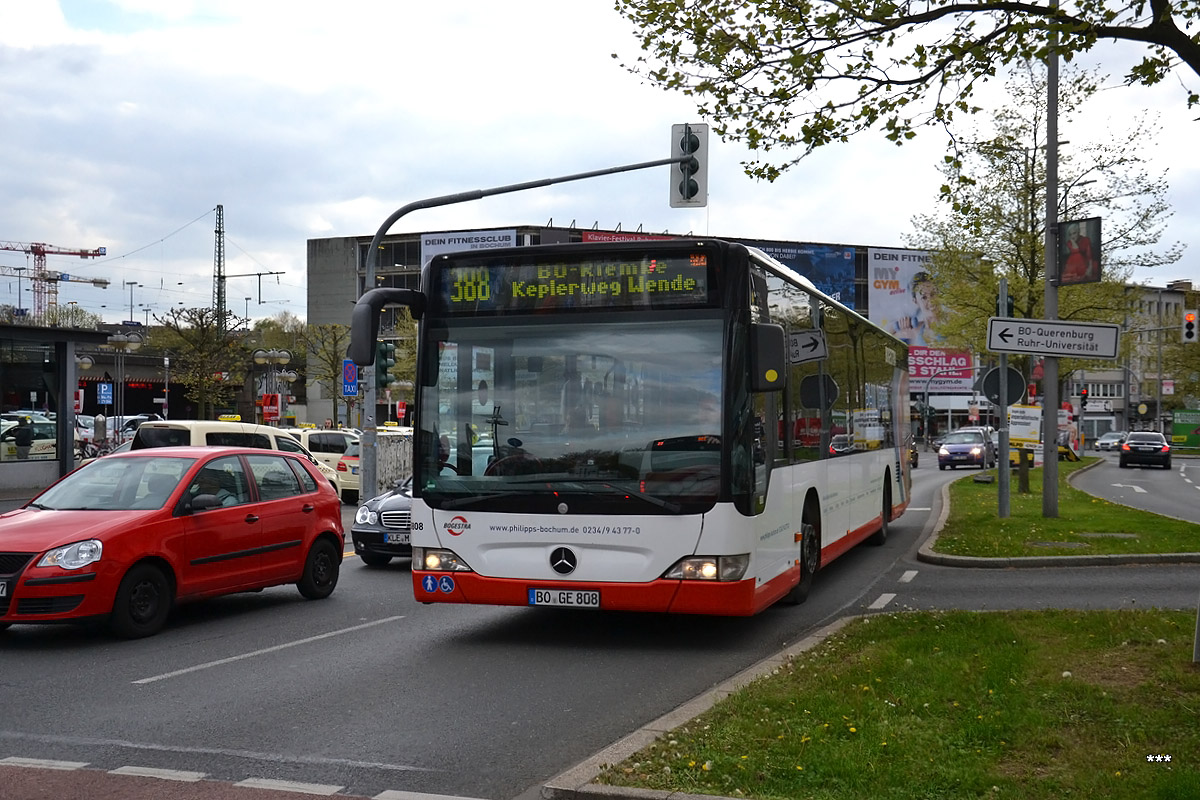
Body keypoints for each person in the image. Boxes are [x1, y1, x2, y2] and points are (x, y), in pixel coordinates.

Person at [890, 271, 942, 347]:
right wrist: (897, 325)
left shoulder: (955, 325)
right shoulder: (914, 331)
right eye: (924, 297)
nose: (931, 301)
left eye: (933, 294)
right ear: (915, 301)